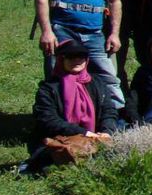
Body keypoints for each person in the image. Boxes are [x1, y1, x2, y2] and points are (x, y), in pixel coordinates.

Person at [21, 39, 118, 175]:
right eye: (71, 56)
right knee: (55, 168)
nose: (77, 60)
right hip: (57, 141)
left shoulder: (97, 83)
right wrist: (83, 132)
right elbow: (48, 120)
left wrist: (106, 131)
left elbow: (109, 110)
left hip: (94, 139)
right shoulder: (49, 88)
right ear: (61, 59)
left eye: (81, 56)